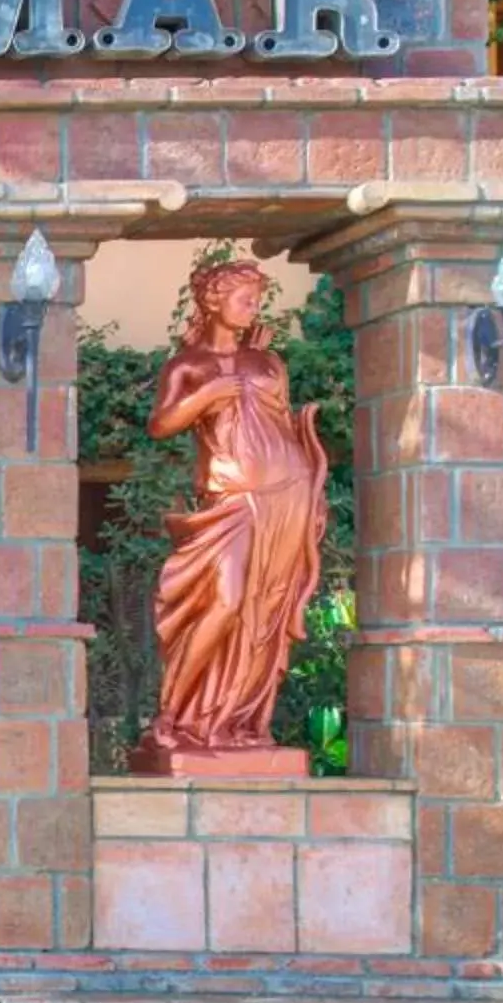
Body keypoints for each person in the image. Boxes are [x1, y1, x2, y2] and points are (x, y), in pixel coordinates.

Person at [134, 258, 329, 770]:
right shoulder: (187, 366)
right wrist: (206, 394)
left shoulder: (267, 363)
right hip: (233, 502)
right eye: (245, 298)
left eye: (257, 300)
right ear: (214, 301)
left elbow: (280, 425)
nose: (254, 308)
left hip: (286, 495)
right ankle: (173, 716)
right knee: (225, 600)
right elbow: (160, 425)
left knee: (263, 611)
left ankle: (238, 722)